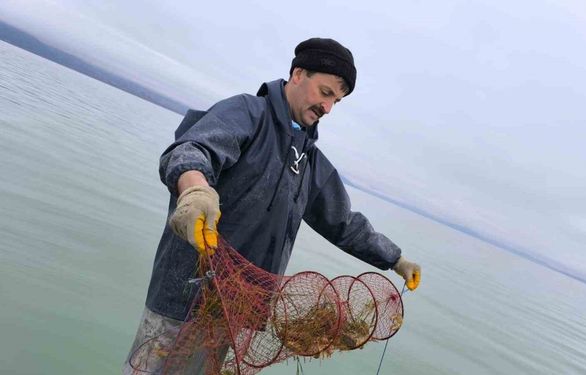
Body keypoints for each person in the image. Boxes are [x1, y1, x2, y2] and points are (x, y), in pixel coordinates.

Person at [123, 37, 421, 374]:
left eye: (337, 101)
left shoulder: (309, 162)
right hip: (182, 299)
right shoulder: (247, 114)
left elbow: (344, 223)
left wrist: (395, 258)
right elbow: (192, 150)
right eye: (325, 93)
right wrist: (195, 191)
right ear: (298, 74)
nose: (328, 108)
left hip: (234, 311)